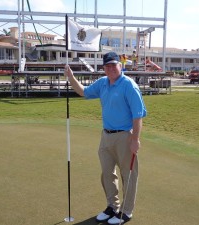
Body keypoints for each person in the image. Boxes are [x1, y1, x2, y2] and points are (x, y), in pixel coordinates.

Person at [64, 52, 147, 224]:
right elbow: (83, 92)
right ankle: (112, 207)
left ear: (120, 65)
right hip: (106, 135)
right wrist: (71, 77)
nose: (110, 68)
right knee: (107, 174)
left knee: (128, 175)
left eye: (113, 65)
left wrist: (135, 140)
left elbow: (138, 116)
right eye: (107, 66)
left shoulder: (129, 85)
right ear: (104, 68)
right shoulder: (103, 83)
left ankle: (126, 211)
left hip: (125, 136)